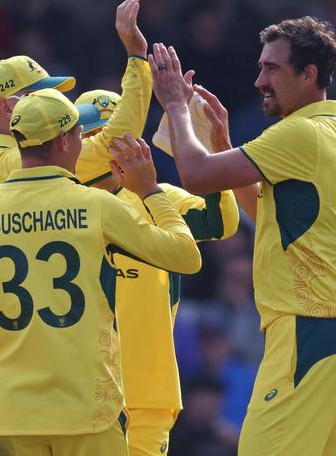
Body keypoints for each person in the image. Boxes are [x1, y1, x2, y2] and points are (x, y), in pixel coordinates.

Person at [0, 0, 150, 448]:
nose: (61, 114)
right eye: (48, 99)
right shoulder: (31, 165)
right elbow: (121, 139)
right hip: (49, 366)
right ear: (8, 108)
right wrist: (137, 59)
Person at [0, 88, 202, 456]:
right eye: (81, 134)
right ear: (65, 140)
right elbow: (185, 256)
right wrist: (150, 191)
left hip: (11, 413)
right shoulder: (95, 206)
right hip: (86, 412)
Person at [148, 16, 336, 455]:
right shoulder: (334, 131)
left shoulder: (297, 133)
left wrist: (174, 105)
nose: (259, 80)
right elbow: (264, 212)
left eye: (272, 69)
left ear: (309, 75)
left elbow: (194, 175)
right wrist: (224, 140)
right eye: (261, 67)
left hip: (306, 329)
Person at [74, 89, 239, 456]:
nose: (103, 151)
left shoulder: (158, 197)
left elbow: (221, 221)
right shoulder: (63, 208)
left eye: (111, 140)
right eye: (91, 139)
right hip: (79, 391)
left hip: (146, 390)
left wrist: (212, 151)